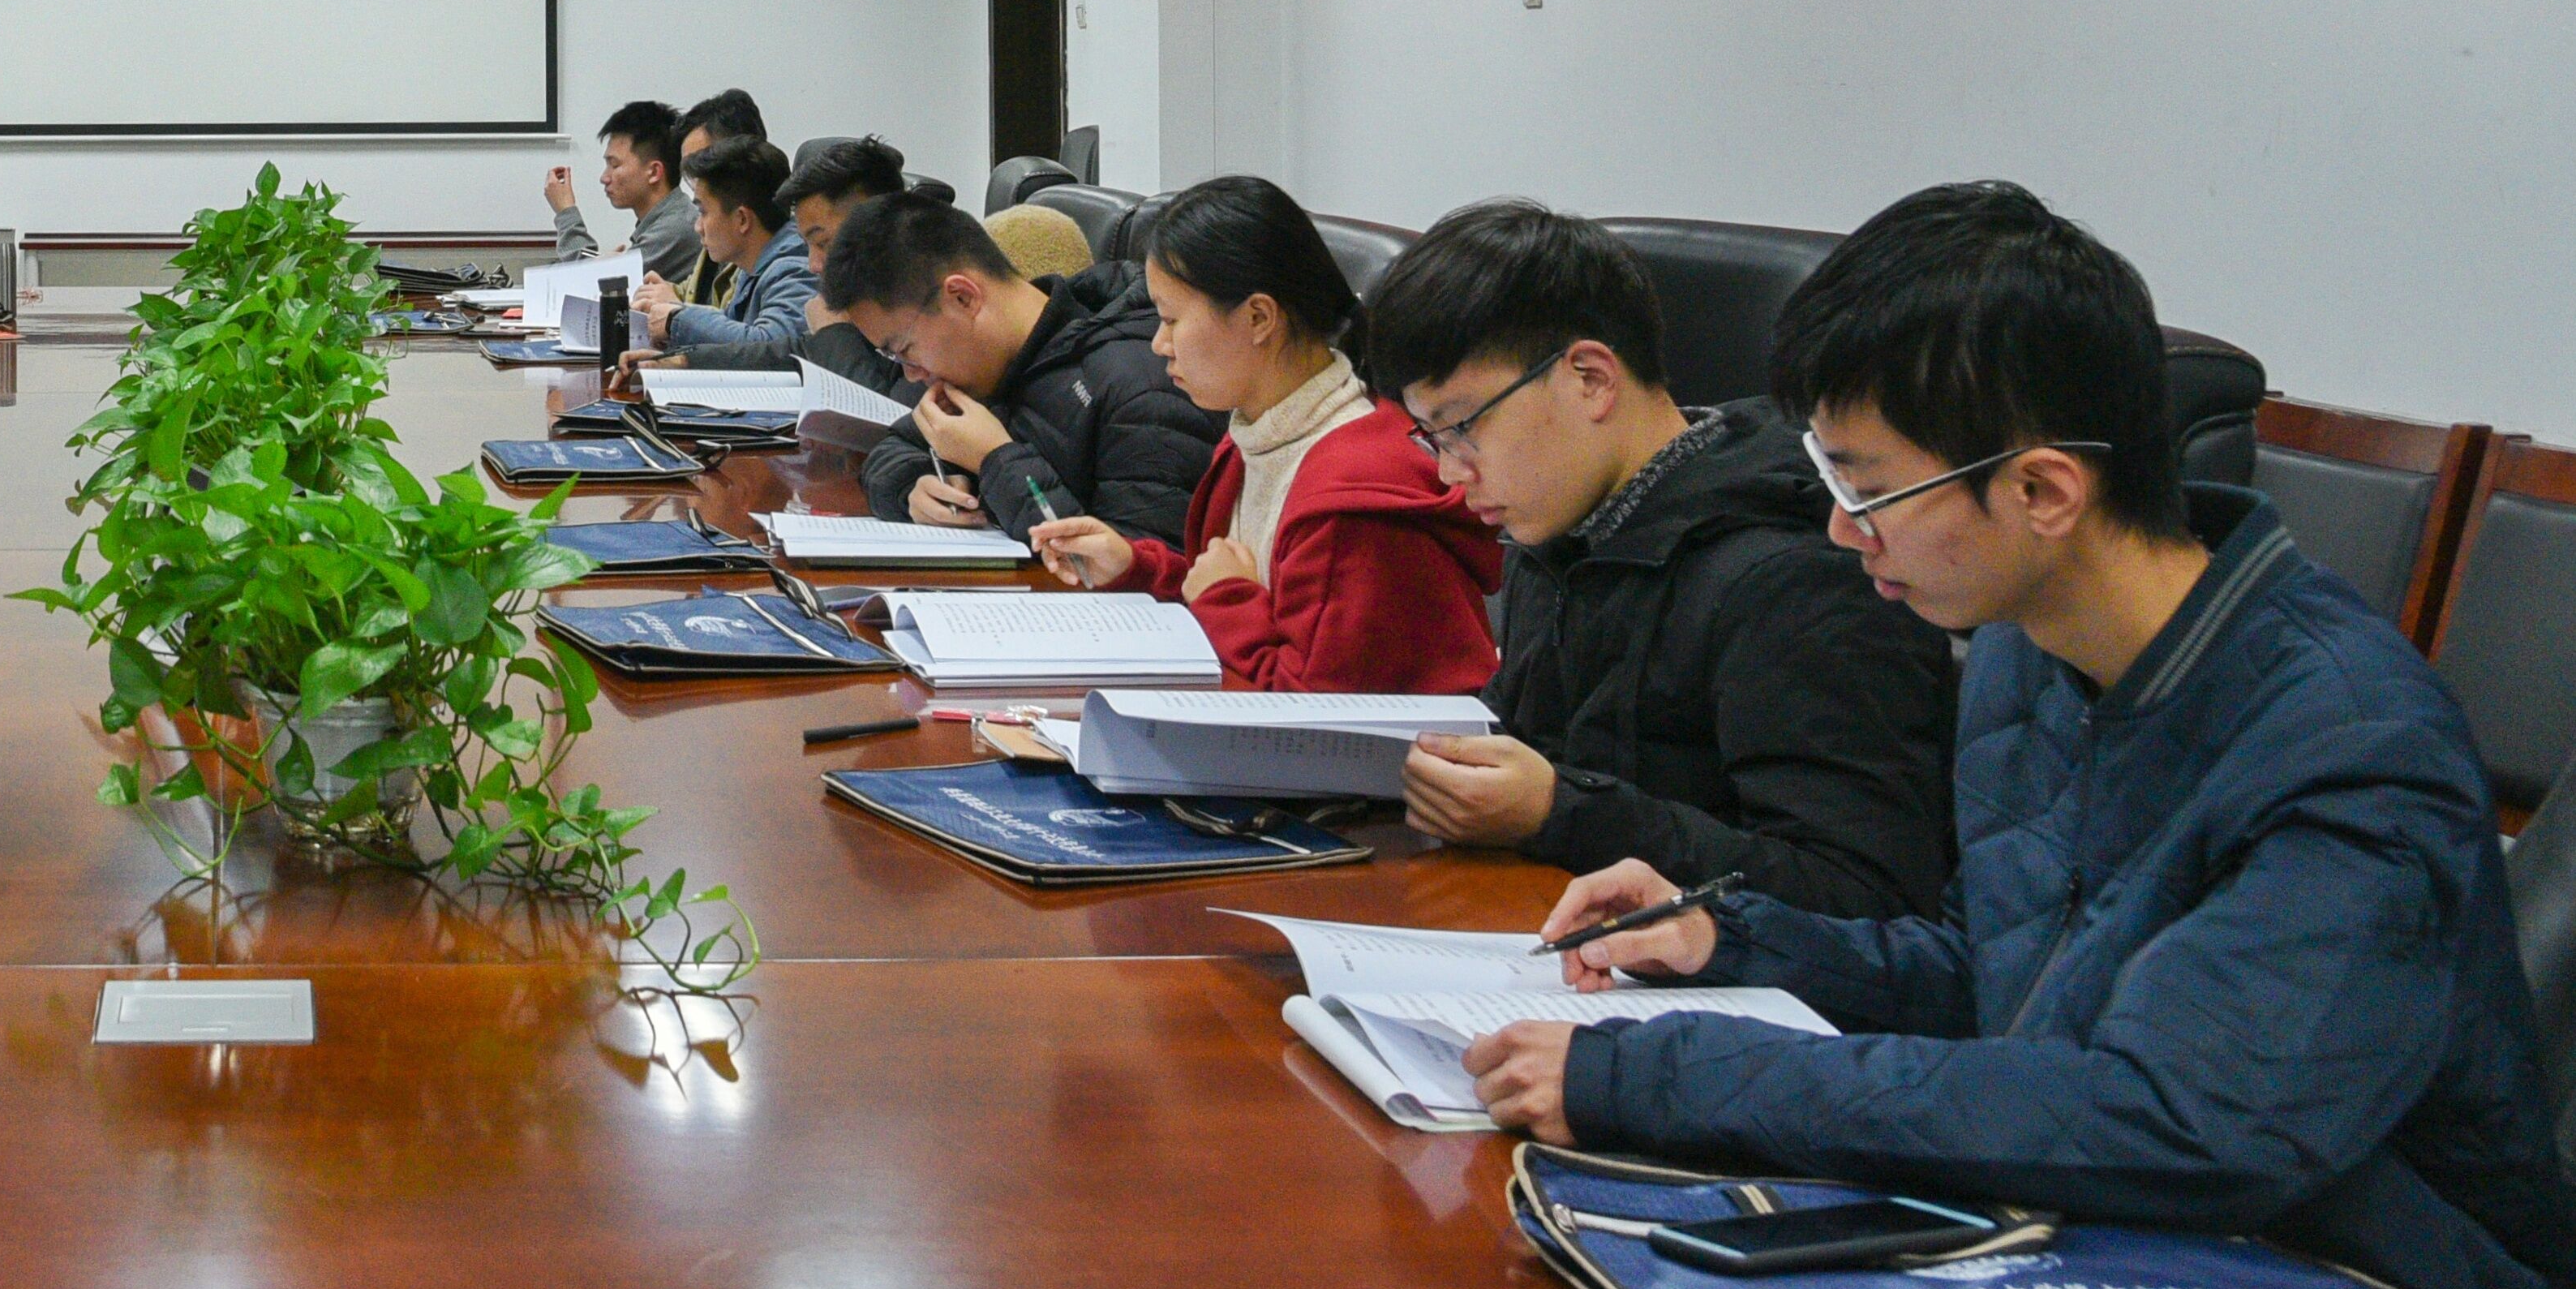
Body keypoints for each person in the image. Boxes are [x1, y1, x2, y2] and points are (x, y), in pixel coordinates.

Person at [1467, 184, 2576, 1289]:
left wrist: (1670, 1077)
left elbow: (2177, 1121)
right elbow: (2012, 976)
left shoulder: (2351, 744)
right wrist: (1730, 939)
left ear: (2043, 491)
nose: (1842, 530)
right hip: (2134, 1237)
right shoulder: (2026, 647)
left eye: (1868, 490)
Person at [1360, 200, 1955, 921]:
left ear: (1590, 378)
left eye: (1462, 427)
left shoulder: (1796, 578)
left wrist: (1561, 811)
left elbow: (1862, 893)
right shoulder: (1557, 535)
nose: (1451, 472)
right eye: (1432, 438)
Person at [1020, 177, 1500, 693]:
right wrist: (1136, 569)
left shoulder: (1355, 499)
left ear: (1258, 317)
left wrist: (1223, 598)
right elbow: (1251, 595)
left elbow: (1312, 711)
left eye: (1171, 319)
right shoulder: (1260, 433)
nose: (1159, 344)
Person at [822, 191, 1220, 544]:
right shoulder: (990, 363)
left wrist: (994, 459)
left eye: (904, 350)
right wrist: (912, 487)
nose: (910, 373)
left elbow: (1135, 569)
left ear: (962, 297)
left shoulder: (1143, 384)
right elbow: (894, 448)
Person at [636, 140, 810, 370]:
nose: (698, 227)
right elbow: (733, 328)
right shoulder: (755, 266)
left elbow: (770, 349)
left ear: (742, 219)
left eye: (703, 212)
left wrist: (675, 321)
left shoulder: (797, 268)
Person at [772, 141, 917, 400]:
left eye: (824, 243)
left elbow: (882, 414)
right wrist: (691, 358)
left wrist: (833, 332)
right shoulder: (863, 302)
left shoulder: (928, 309)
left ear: (879, 226)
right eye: (807, 246)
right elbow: (791, 353)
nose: (814, 265)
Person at [544, 100, 697, 284]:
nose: (604, 177)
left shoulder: (674, 228)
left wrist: (566, 211)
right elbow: (595, 269)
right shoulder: (666, 217)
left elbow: (592, 281)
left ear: (654, 172)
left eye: (615, 165)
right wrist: (603, 262)